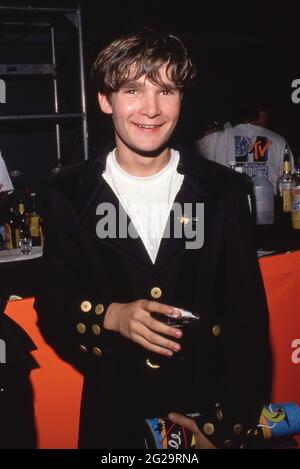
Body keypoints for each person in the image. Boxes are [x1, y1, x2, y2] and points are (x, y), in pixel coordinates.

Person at [35, 29, 272, 449]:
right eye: (132, 90)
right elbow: (53, 303)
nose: (151, 109)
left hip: (202, 411)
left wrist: (224, 427)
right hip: (116, 415)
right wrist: (111, 316)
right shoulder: (67, 194)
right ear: (105, 101)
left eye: (166, 90)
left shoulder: (223, 191)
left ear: (182, 99)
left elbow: (247, 321)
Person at [195, 99, 295, 194]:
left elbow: (190, 147)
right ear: (261, 113)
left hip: (230, 208)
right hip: (268, 208)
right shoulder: (279, 141)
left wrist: (224, 127)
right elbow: (290, 181)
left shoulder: (214, 138)